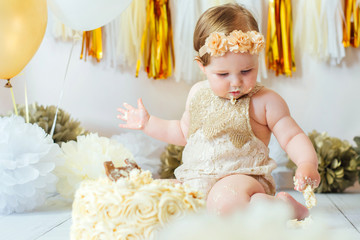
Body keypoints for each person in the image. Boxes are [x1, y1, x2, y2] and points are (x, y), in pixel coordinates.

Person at [117, 3, 320, 220]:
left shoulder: (265, 101)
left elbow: (292, 136)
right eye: (223, 74)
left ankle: (282, 207)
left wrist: (307, 163)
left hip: (242, 180)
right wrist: (148, 123)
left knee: (225, 202)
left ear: (256, 59)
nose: (236, 82)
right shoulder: (197, 93)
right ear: (202, 67)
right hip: (195, 179)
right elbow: (183, 132)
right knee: (159, 195)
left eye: (246, 70)